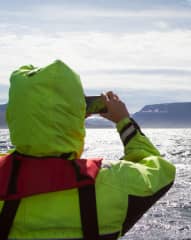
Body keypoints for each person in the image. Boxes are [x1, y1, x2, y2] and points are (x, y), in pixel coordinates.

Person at [0, 60, 176, 239]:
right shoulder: (113, 183)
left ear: (14, 113)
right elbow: (160, 168)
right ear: (76, 114)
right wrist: (124, 121)